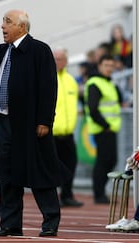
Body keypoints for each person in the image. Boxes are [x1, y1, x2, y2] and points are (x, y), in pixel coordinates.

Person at [0, 9, 67, 237]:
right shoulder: (0, 51)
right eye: (3, 21)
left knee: (39, 173)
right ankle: (10, 223)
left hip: (30, 124)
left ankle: (50, 222)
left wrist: (45, 120)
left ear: (22, 27)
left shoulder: (39, 50)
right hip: (4, 122)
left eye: (8, 22)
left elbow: (48, 88)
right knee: (7, 174)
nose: (2, 26)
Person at [83, 54, 122, 204]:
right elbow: (93, 109)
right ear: (99, 66)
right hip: (103, 129)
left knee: (110, 160)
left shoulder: (109, 82)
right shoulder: (95, 83)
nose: (109, 68)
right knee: (103, 161)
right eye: (106, 65)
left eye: (111, 65)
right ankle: (99, 195)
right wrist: (105, 125)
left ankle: (100, 193)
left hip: (110, 128)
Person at [52, 47, 84, 208]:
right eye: (55, 58)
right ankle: (51, 197)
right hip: (51, 133)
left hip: (68, 133)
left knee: (70, 164)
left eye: (61, 59)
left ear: (66, 61)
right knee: (51, 167)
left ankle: (67, 194)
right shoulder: (46, 77)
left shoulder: (71, 81)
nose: (58, 62)